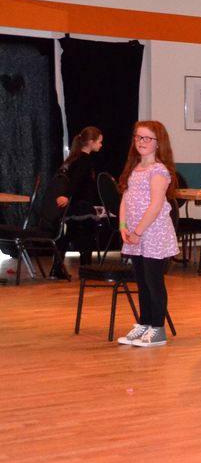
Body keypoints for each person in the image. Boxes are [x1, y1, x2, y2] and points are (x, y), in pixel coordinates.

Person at [115, 121, 179, 348]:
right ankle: (144, 323)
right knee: (141, 282)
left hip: (153, 234)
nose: (141, 142)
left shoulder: (158, 170)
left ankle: (158, 329)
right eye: (138, 137)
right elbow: (125, 199)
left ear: (158, 143)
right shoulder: (134, 169)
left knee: (154, 282)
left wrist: (138, 231)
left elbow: (156, 205)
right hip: (135, 234)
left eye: (147, 138)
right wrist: (123, 225)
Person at [44, 126, 104, 279]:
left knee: (68, 236)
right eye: (99, 142)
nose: (101, 145)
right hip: (81, 205)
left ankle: (57, 269)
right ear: (91, 142)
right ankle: (86, 270)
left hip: (76, 204)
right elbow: (75, 180)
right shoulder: (84, 160)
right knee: (86, 237)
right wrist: (66, 195)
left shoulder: (77, 159)